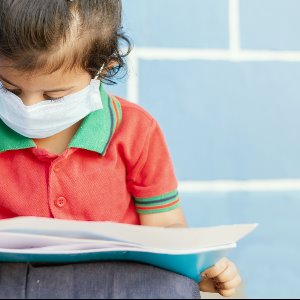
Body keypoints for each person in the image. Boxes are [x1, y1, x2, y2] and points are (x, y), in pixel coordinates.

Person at [0, 0, 242, 299]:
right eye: (10, 88)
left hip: (118, 280)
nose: (29, 106)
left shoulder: (136, 130)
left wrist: (198, 266)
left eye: (53, 95)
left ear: (103, 69)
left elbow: (166, 226)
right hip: (14, 278)